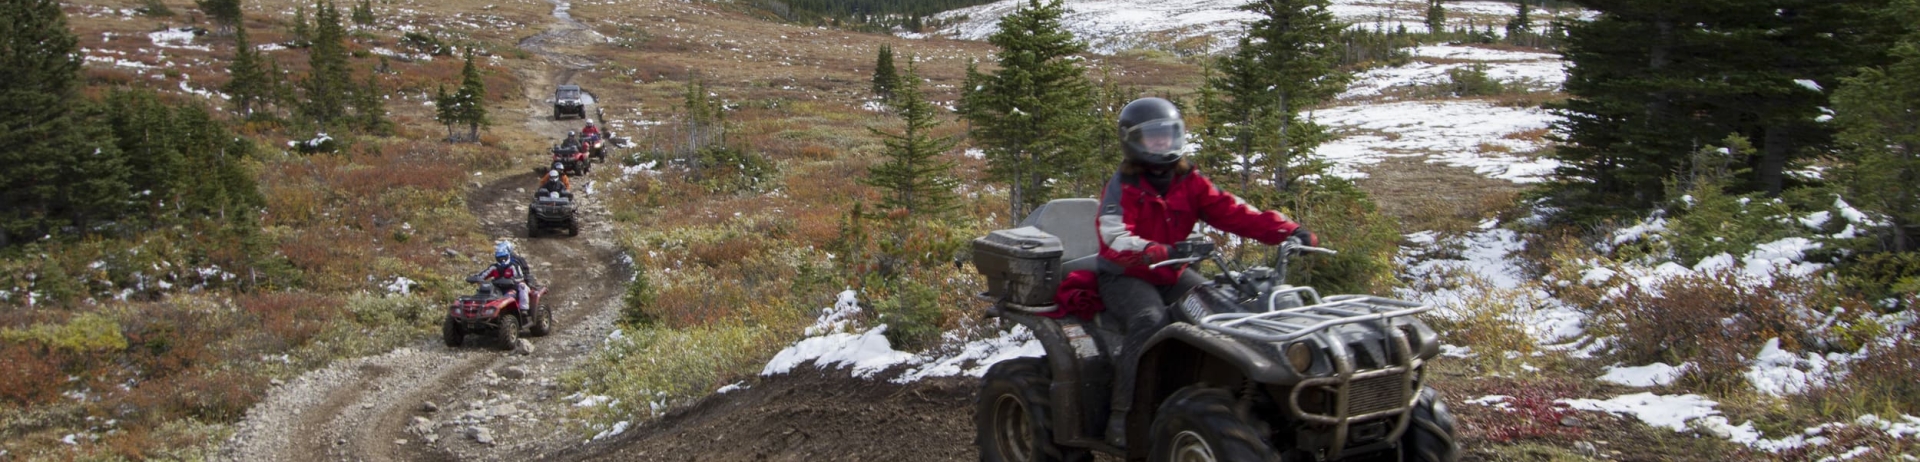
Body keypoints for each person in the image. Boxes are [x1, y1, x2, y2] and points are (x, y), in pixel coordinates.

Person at [1094, 97, 1315, 444]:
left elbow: (1234, 211)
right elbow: (1113, 237)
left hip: (1171, 272)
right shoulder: (1122, 186)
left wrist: (1287, 231)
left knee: (1220, 313)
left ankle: (1222, 398)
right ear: (1133, 142)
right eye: (1153, 138)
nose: (1162, 143)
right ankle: (1123, 414)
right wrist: (1155, 250)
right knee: (1149, 321)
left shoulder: (1189, 180)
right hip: (1125, 275)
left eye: (1168, 135)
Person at [479, 241, 538, 312]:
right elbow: (483, 274)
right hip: (498, 288)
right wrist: (475, 278)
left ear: (508, 255)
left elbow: (520, 276)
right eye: (500, 258)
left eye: (504, 258)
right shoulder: (494, 267)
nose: (502, 260)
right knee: (485, 293)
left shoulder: (514, 265)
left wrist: (511, 280)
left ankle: (524, 309)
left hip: (513, 288)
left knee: (522, 287)